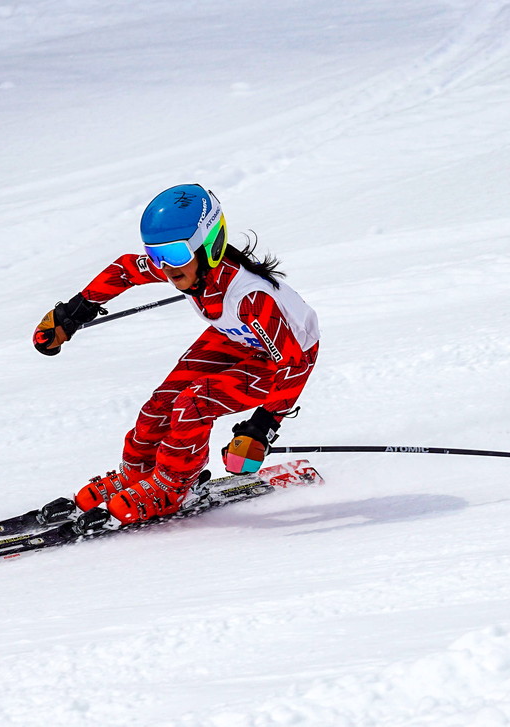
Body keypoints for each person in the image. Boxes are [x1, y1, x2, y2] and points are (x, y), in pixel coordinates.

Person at [33, 183, 320, 525]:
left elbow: (293, 364)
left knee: (193, 403)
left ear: (208, 245)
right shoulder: (191, 266)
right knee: (161, 404)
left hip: (282, 360)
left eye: (176, 254)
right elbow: (126, 269)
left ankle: (172, 486)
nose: (167, 267)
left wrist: (262, 427)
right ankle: (139, 473)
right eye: (157, 255)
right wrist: (74, 311)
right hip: (235, 338)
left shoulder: (251, 298)